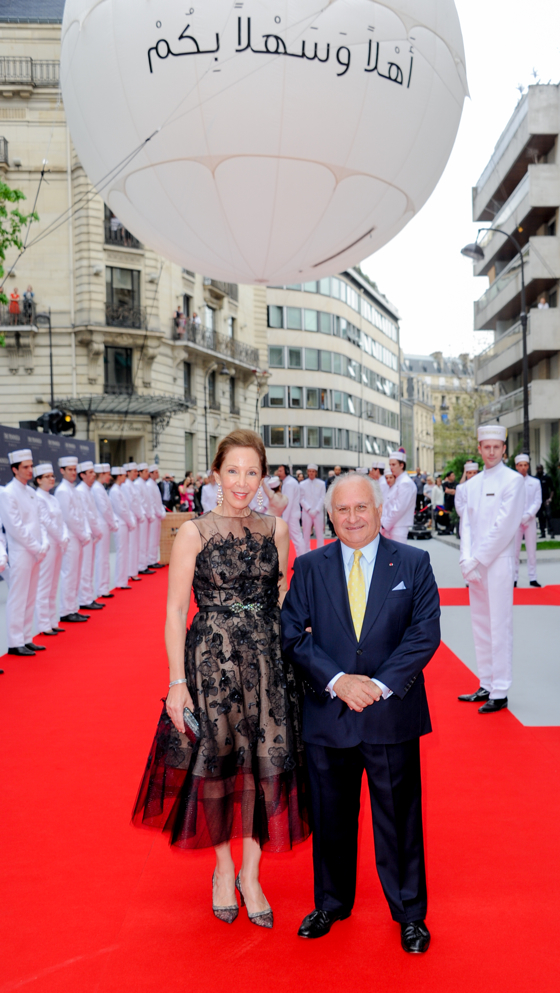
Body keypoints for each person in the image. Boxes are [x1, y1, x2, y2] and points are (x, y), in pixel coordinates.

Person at [133, 429, 310, 927]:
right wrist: (176, 682)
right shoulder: (194, 532)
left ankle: (251, 875)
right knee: (218, 763)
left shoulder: (276, 529)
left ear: (263, 476)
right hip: (210, 662)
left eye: (252, 472)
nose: (242, 482)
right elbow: (173, 613)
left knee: (265, 764)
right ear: (216, 473)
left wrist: (283, 660)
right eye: (233, 471)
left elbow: (280, 599)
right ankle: (223, 869)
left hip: (267, 663)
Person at [281, 472, 440, 952]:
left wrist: (377, 685)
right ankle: (330, 902)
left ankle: (410, 913)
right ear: (331, 514)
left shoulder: (413, 562)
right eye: (343, 510)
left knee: (400, 817)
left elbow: (424, 632)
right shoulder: (309, 566)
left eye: (361, 509)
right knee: (331, 816)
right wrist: (338, 682)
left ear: (379, 510)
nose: (352, 518)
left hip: (390, 712)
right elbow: (292, 633)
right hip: (329, 712)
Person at [458, 425, 525, 713]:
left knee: (499, 625)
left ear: (504, 449)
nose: (492, 451)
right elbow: (467, 524)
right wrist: (466, 559)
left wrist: (477, 559)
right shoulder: (471, 485)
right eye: (487, 446)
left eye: (497, 447)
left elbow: (505, 527)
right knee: (481, 625)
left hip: (497, 563)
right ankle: (486, 682)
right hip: (476, 564)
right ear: (480, 448)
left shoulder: (513, 480)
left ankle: (501, 690)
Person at [0, 449, 49, 656]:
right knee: (18, 597)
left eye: (31, 466)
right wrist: (36, 547)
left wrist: (43, 544)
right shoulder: (8, 492)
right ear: (14, 469)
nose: (30, 470)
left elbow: (39, 521)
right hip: (21, 551)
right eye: (25, 467)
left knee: (30, 596)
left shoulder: (30, 492)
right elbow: (15, 527)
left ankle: (27, 638)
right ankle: (14, 641)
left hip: (35, 552)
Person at [33, 462, 69, 636]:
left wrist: (64, 536)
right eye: (47, 477)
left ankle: (53, 620)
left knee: (54, 584)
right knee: (44, 585)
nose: (51, 479)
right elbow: (45, 522)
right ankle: (43, 624)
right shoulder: (37, 498)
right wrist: (60, 537)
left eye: (52, 476)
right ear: (38, 480)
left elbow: (61, 521)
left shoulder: (53, 498)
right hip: (48, 544)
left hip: (59, 544)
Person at [56, 456, 91, 623]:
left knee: (76, 573)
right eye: (69, 469)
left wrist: (84, 533)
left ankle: (73, 608)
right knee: (69, 574)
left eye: (74, 469)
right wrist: (83, 534)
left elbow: (81, 514)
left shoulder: (73, 489)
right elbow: (69, 518)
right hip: (71, 537)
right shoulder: (62, 490)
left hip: (78, 537)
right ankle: (66, 610)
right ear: (62, 471)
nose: (73, 473)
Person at [76, 461, 104, 610]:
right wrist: (95, 531)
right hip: (85, 534)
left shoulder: (87, 489)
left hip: (91, 533)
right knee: (85, 569)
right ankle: (84, 600)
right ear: (83, 475)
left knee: (89, 567)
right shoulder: (81, 491)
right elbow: (86, 515)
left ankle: (88, 597)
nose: (94, 475)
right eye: (90, 472)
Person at [513, 454, 542, 588]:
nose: (523, 468)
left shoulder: (535, 482)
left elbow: (537, 501)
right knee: (515, 551)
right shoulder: (511, 482)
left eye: (525, 465)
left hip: (530, 520)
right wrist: (518, 516)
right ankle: (513, 577)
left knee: (531, 550)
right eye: (521, 465)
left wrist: (528, 515)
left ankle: (533, 577)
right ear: (516, 466)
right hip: (515, 521)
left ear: (528, 466)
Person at [92, 463, 119, 600]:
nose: (110, 477)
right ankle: (101, 588)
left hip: (105, 524)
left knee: (104, 558)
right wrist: (112, 522)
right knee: (101, 558)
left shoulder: (100, 488)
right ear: (102, 474)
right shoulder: (97, 488)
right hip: (101, 524)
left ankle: (103, 587)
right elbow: (104, 509)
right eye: (107, 474)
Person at [380, 449, 416, 544]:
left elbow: (399, 508)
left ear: (401, 465)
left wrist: (384, 525)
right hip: (392, 526)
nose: (391, 467)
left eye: (393, 464)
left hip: (398, 527)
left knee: (398, 556)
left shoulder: (405, 482)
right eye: (390, 464)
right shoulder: (399, 481)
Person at [109, 467, 135, 589]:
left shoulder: (118, 490)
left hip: (124, 523)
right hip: (121, 523)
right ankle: (120, 581)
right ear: (119, 476)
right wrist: (130, 521)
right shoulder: (115, 491)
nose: (125, 477)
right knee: (121, 552)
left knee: (124, 552)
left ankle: (122, 579)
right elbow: (121, 510)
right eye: (123, 475)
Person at [275, 465, 306, 556]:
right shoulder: (289, 482)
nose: (278, 472)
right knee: (297, 538)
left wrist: (285, 520)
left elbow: (288, 502)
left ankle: (302, 560)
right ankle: (301, 560)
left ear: (286, 471)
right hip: (292, 514)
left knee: (297, 538)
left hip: (291, 515)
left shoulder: (289, 483)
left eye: (280, 470)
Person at [123, 462, 144, 581]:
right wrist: (138, 515)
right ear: (128, 473)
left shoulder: (132, 484)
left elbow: (138, 501)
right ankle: (130, 571)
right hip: (131, 518)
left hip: (136, 517)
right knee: (131, 546)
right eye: (134, 471)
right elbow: (131, 503)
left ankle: (133, 570)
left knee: (135, 545)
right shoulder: (126, 485)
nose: (136, 473)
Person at [134, 463, 156, 575]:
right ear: (140, 472)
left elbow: (149, 501)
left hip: (147, 516)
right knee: (142, 542)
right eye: (146, 471)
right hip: (143, 517)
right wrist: (147, 513)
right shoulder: (138, 484)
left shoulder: (144, 484)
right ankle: (141, 566)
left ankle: (145, 563)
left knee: (147, 541)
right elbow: (141, 502)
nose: (148, 473)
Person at [299, 464, 326, 552]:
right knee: (306, 534)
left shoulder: (321, 483)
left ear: (316, 472)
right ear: (307, 472)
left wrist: (316, 510)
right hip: (307, 512)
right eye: (310, 471)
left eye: (313, 471)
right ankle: (306, 552)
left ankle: (320, 552)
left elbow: (323, 497)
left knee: (319, 534)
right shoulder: (302, 484)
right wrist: (309, 509)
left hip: (318, 512)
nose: (311, 473)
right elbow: (301, 498)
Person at [146, 465, 167, 567]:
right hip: (153, 515)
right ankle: (151, 560)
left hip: (157, 515)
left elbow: (158, 501)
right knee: (152, 538)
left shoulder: (154, 484)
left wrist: (162, 510)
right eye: (156, 472)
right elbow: (151, 502)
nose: (158, 474)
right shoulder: (149, 485)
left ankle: (153, 559)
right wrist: (158, 512)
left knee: (155, 538)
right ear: (151, 473)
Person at [535, 464, 554, 538]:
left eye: (541, 468)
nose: (539, 470)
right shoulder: (535, 478)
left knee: (549, 516)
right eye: (538, 469)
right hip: (538, 501)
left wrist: (550, 498)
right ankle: (543, 533)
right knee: (540, 517)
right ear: (536, 470)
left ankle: (552, 532)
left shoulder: (547, 477)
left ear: (543, 469)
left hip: (546, 500)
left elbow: (552, 489)